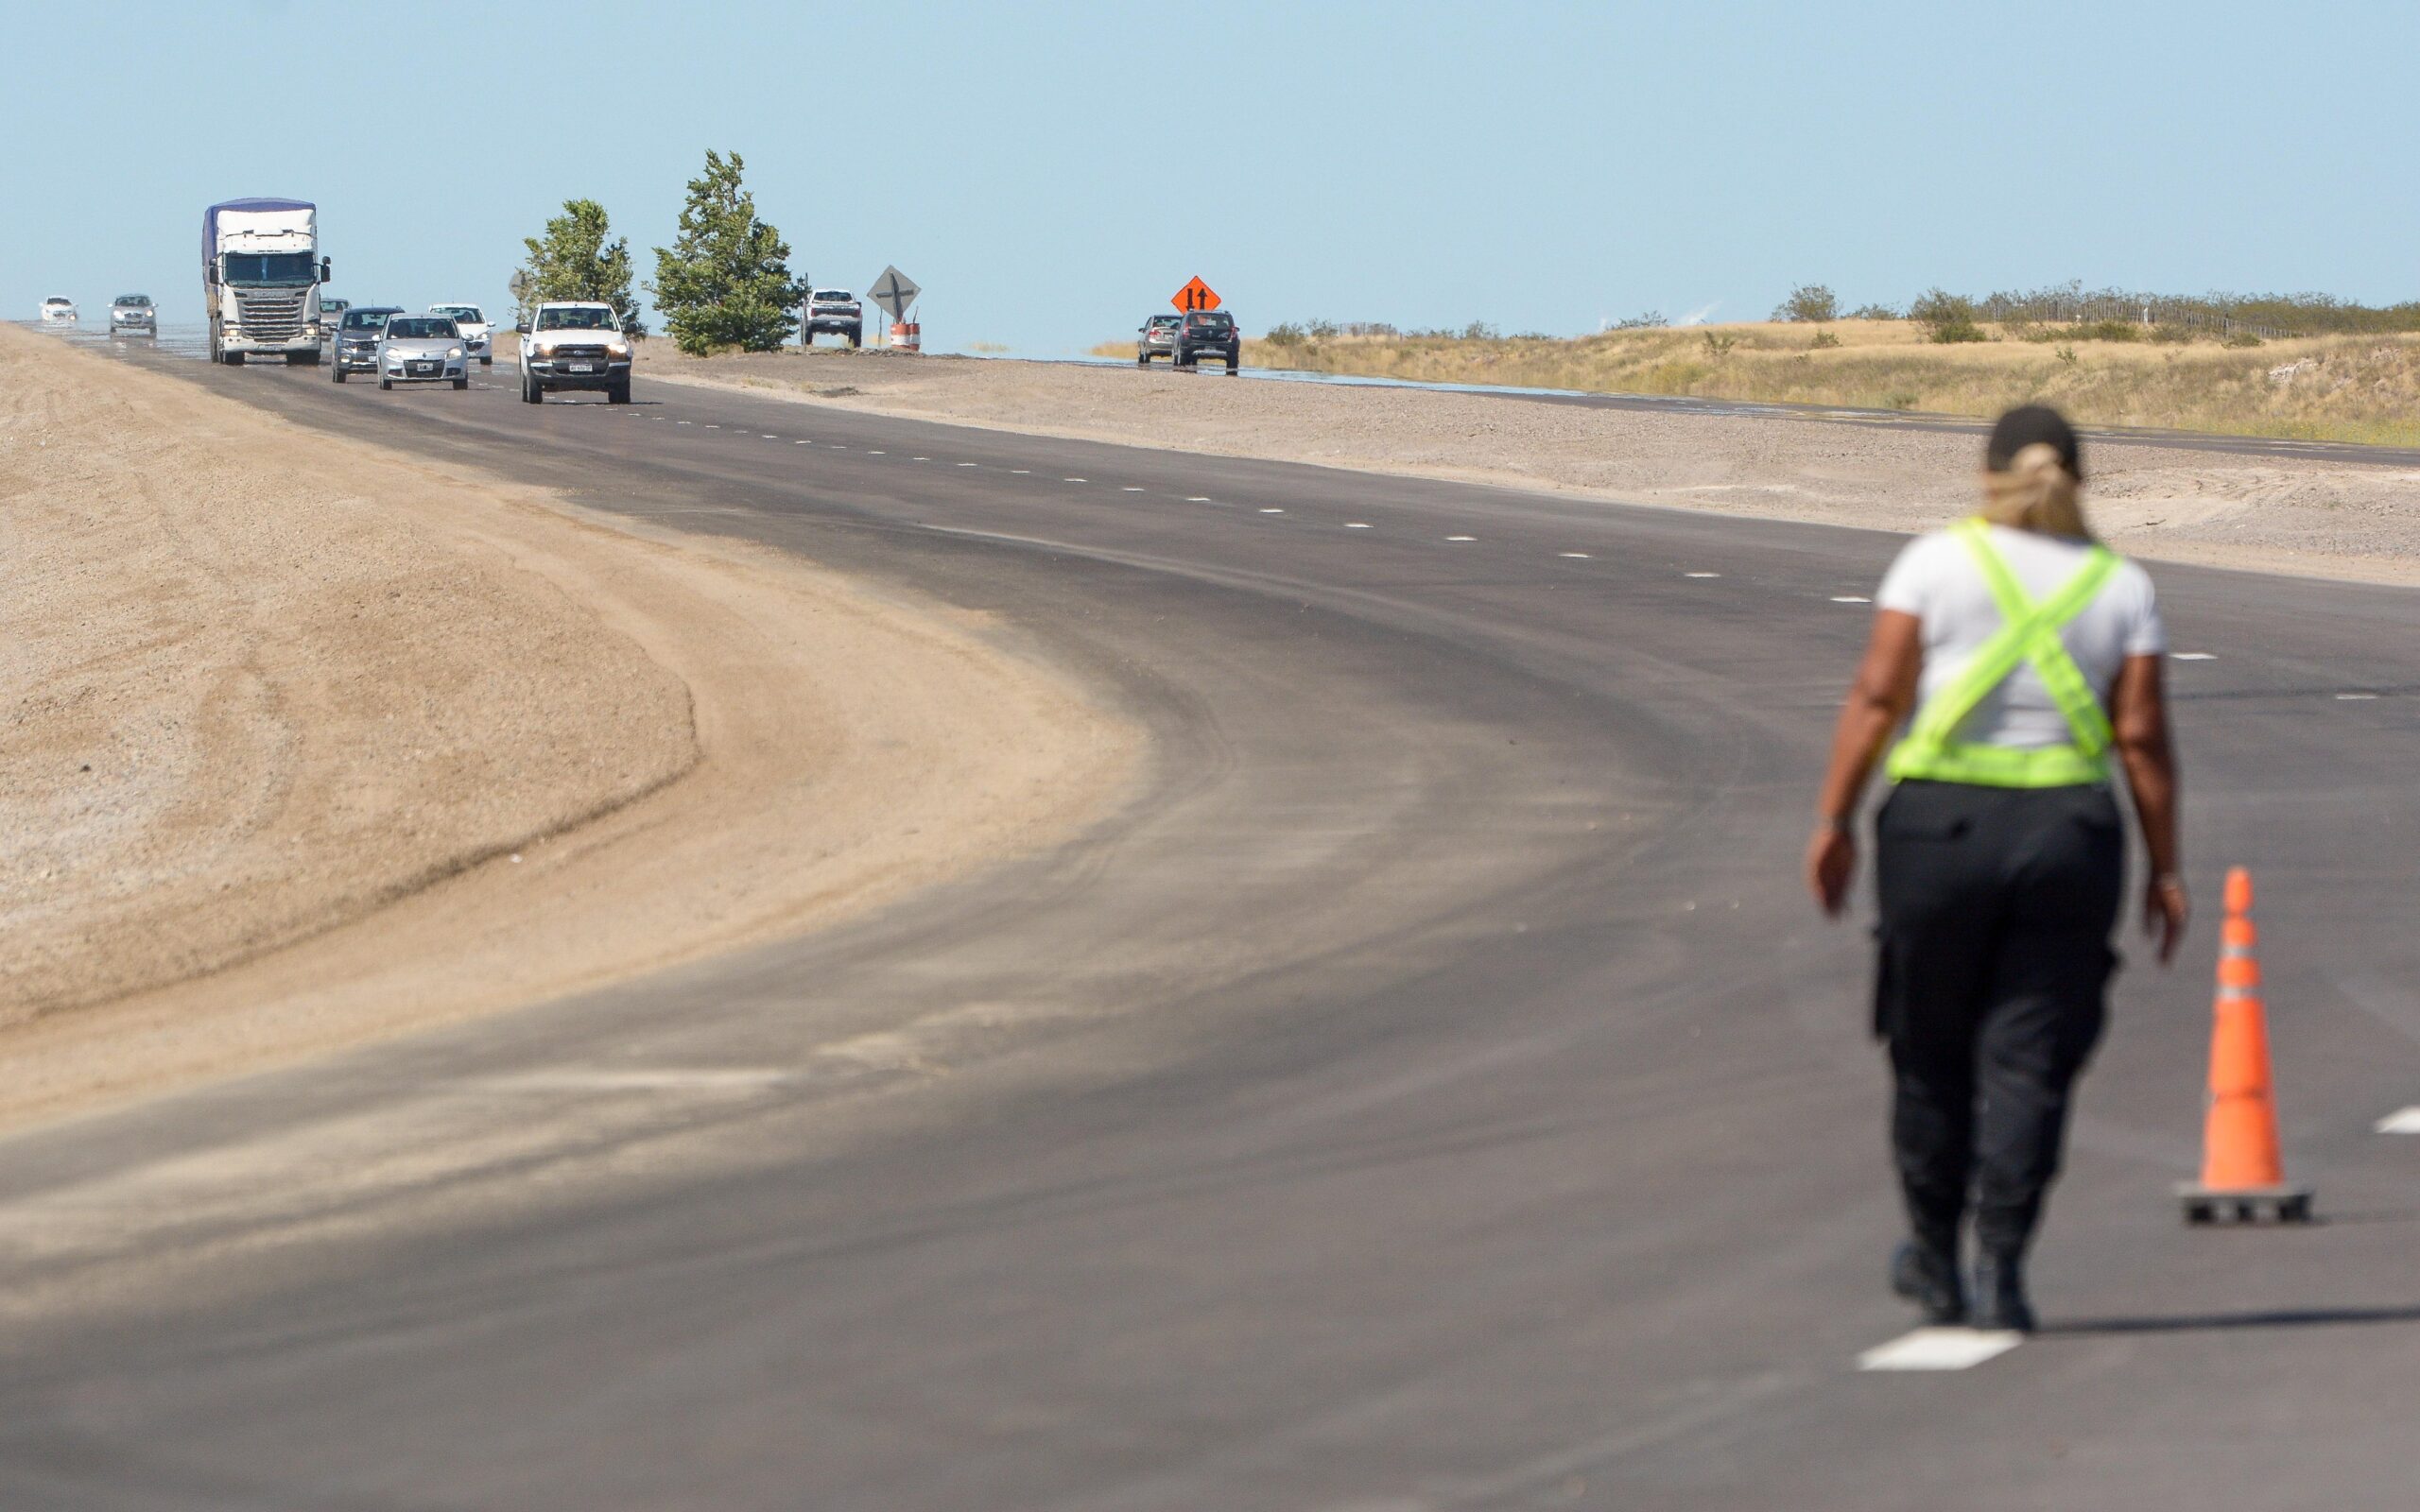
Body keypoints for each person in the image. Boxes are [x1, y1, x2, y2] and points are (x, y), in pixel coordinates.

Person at [1806, 405, 2187, 1332]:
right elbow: (2138, 739)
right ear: (2079, 481)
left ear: (1984, 477)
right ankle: (2005, 1264)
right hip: (2066, 836)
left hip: (1936, 832)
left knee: (1927, 1050)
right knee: (2030, 1058)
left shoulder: (1935, 562)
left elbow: (1877, 694)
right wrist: (2164, 869)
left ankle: (1934, 1260)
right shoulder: (2118, 584)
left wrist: (1834, 817)